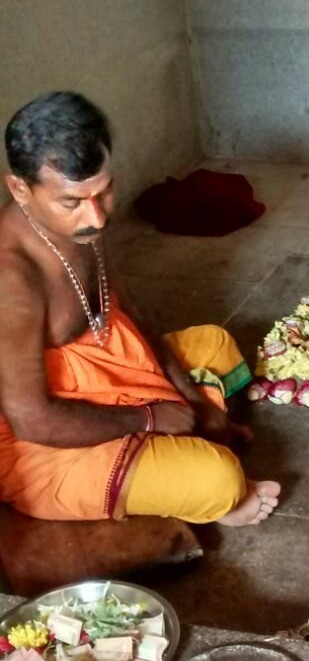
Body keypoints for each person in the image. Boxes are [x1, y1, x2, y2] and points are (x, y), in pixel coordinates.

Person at [0, 91, 280, 526]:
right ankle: (199, 483)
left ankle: (187, 440)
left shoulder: (84, 224)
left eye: (105, 191)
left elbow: (131, 315)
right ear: (19, 188)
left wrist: (190, 401)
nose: (95, 217)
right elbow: (33, 421)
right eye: (71, 202)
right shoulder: (11, 276)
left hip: (108, 373)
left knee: (216, 344)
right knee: (218, 480)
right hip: (45, 442)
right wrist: (149, 416)